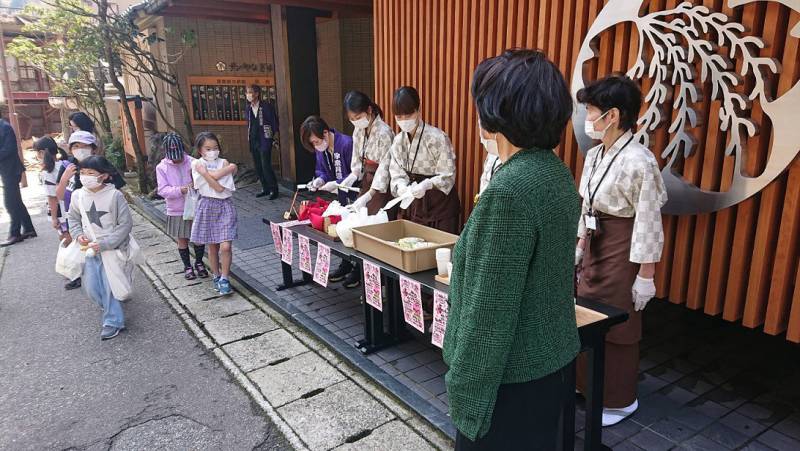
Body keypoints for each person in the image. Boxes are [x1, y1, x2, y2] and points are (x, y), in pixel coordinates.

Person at [443, 49, 580, 450]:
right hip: (548, 365)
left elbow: (488, 316)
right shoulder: (554, 172)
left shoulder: (510, 192)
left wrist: (464, 392)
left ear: (494, 115)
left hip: (508, 383)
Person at [574, 74, 667, 426]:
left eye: (591, 111)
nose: (588, 118)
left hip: (624, 249)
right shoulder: (596, 154)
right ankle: (586, 385)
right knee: (585, 314)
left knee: (617, 322)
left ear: (612, 115)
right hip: (597, 246)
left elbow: (648, 220)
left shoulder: (640, 161)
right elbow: (587, 206)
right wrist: (580, 245)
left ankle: (618, 400)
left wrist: (646, 275)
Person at [67, 155, 130, 340]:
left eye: (90, 173)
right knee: (92, 287)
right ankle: (112, 306)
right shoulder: (78, 195)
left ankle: (113, 321)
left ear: (103, 176)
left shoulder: (115, 195)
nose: (85, 176)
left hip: (111, 248)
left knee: (109, 285)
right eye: (82, 172)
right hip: (89, 249)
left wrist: (106, 243)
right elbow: (73, 218)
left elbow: (124, 225)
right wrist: (78, 235)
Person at [387, 86, 460, 234]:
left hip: (439, 203)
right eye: (399, 117)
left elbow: (448, 175)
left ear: (418, 110)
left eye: (408, 115)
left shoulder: (437, 137)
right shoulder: (398, 141)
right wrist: (401, 185)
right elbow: (396, 172)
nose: (403, 121)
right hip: (414, 200)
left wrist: (427, 184)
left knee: (440, 251)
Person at [300, 115, 360, 288]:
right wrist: (319, 180)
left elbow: (356, 173)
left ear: (326, 133)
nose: (316, 146)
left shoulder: (347, 143)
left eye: (317, 141)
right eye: (313, 144)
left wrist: (338, 183)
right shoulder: (322, 149)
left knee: (355, 232)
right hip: (340, 196)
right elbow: (322, 171)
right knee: (340, 230)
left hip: (356, 195)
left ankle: (358, 270)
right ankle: (346, 264)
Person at [190, 132, 238, 296]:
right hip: (206, 205)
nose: (212, 151)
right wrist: (226, 170)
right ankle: (216, 276)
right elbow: (210, 185)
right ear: (200, 150)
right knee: (212, 246)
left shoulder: (223, 162)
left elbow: (219, 188)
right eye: (208, 148)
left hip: (224, 206)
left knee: (225, 246)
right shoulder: (196, 163)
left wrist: (205, 173)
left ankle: (225, 277)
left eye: (215, 148)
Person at [156, 133, 208, 280]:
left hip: (195, 205)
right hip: (176, 208)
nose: (177, 159)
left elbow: (203, 181)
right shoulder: (161, 167)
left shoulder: (193, 162)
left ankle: (199, 262)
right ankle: (187, 266)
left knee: (198, 237)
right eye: (173, 156)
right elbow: (162, 190)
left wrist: (196, 184)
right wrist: (181, 190)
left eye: (178, 155)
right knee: (182, 238)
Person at [343, 91, 396, 217]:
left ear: (369, 110)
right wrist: (353, 175)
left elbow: (385, 167)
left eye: (358, 117)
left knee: (376, 219)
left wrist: (370, 194)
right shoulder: (358, 130)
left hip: (382, 184)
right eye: (352, 119)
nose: (356, 122)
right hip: (367, 179)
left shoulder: (384, 132)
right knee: (360, 216)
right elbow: (357, 157)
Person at [0, 112, 36, 247]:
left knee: (10, 203)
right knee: (16, 201)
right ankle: (29, 228)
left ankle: (15, 234)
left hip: (11, 169)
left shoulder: (4, 127)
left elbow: (9, 149)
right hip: (6, 170)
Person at [245, 85, 280, 199]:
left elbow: (274, 122)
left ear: (257, 93)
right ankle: (265, 188)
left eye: (250, 92)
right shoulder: (248, 108)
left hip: (264, 139)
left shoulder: (266, 106)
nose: (248, 95)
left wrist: (272, 137)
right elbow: (249, 123)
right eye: (247, 92)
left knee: (266, 165)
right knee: (258, 165)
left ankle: (274, 189)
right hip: (253, 139)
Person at [34, 137, 69, 239]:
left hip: (61, 212)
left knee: (66, 240)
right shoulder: (65, 164)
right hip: (71, 208)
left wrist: (54, 218)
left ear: (41, 153)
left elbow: (52, 197)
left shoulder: (48, 172)